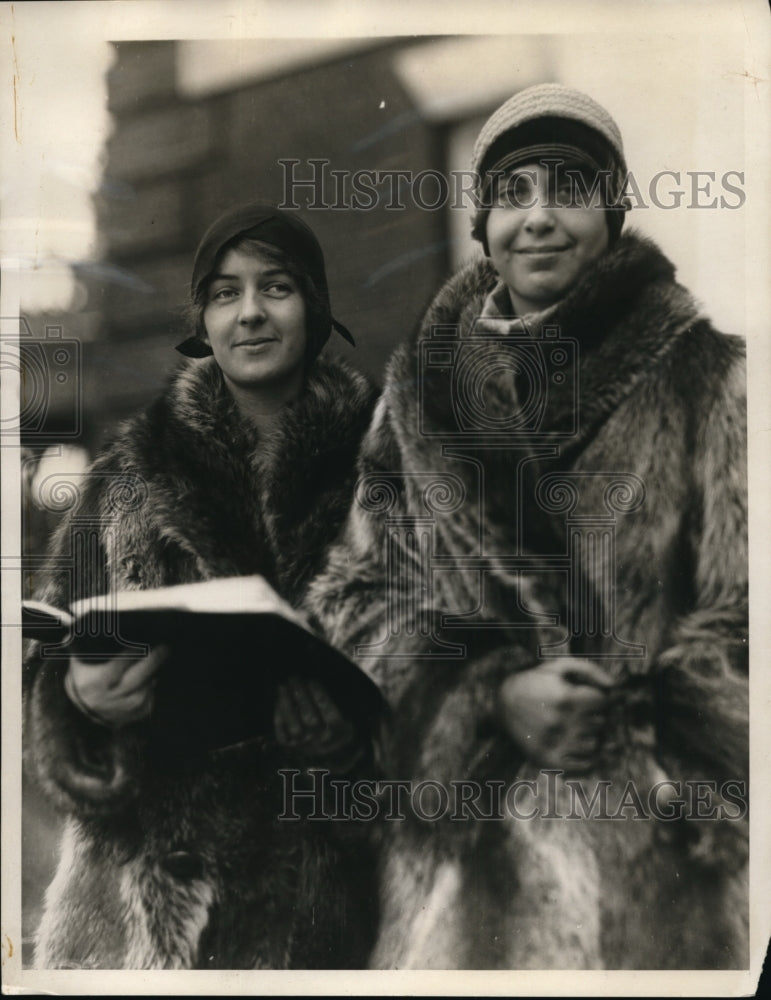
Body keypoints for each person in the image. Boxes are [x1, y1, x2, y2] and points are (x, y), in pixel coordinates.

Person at [307, 84, 748, 968]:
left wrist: (640, 736)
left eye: (569, 190)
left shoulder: (709, 378)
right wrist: (490, 696)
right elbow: (354, 599)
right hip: (457, 872)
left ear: (612, 213)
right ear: (481, 226)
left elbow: (744, 615)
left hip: (654, 868)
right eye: (511, 194)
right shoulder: (418, 398)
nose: (538, 217)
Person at [24, 203, 380, 969]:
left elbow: (440, 664)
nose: (249, 312)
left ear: (315, 308)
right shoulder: (129, 476)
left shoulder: (384, 473)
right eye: (224, 293)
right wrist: (78, 701)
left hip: (340, 907)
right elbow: (50, 647)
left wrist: (355, 747)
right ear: (204, 322)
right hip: (150, 910)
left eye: (275, 287)